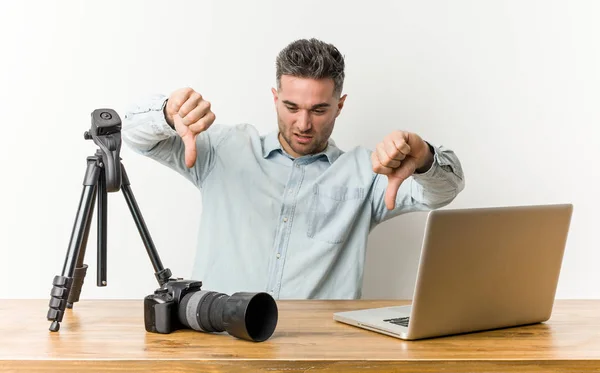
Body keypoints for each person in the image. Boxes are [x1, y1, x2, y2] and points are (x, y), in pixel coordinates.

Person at [122, 38, 465, 300]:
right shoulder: (223, 150)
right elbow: (134, 135)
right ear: (275, 98)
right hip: (220, 344)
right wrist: (167, 113)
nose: (303, 123)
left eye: (319, 109)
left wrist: (423, 157)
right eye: (291, 106)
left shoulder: (369, 173)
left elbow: (443, 192)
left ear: (340, 106)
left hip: (319, 353)